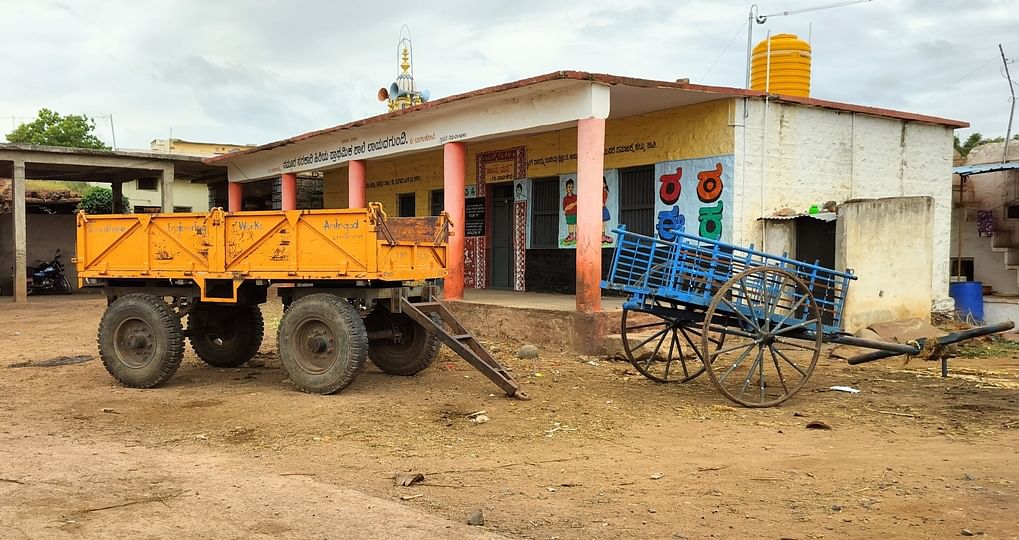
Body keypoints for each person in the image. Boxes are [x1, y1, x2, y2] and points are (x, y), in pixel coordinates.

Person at [562, 179, 577, 244]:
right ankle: (571, 236)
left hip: (576, 214)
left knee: (576, 225)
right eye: (569, 187)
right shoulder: (565, 199)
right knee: (570, 225)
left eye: (572, 187)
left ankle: (577, 236)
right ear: (566, 189)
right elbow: (565, 208)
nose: (571, 188)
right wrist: (574, 204)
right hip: (569, 215)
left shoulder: (576, 197)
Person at [601, 177, 613, 244]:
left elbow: (602, 203)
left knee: (603, 224)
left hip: (602, 210)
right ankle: (602, 235)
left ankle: (603, 235)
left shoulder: (604, 192)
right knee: (602, 224)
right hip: (600, 209)